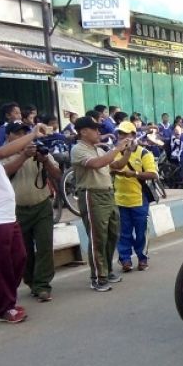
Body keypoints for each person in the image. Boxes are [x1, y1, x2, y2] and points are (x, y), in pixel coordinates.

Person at [0, 112, 53, 323]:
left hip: (6, 215)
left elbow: (3, 170)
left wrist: (23, 155)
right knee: (1, 263)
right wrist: (32, 134)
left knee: (19, 258)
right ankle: (4, 308)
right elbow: (3, 152)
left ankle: (0, 299)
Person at [1, 122, 62, 302]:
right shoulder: (4, 154)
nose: (22, 137)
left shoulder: (40, 149)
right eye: (17, 133)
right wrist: (23, 156)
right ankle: (31, 281)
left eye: (24, 133)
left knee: (45, 246)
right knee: (23, 251)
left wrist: (44, 160)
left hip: (42, 204)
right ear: (8, 136)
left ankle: (43, 285)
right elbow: (4, 172)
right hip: (16, 209)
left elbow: (57, 174)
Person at [71, 117, 131, 292]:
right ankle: (98, 277)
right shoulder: (78, 149)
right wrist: (117, 148)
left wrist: (126, 151)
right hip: (92, 195)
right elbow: (97, 164)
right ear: (83, 131)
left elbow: (116, 165)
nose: (98, 132)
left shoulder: (98, 150)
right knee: (98, 237)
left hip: (107, 194)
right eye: (94, 129)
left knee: (113, 234)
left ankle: (107, 270)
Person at [110, 122, 158, 272]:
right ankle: (125, 259)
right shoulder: (115, 152)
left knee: (141, 231)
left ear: (134, 136)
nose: (122, 137)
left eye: (126, 134)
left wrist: (135, 174)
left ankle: (142, 258)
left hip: (139, 199)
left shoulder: (144, 153)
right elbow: (111, 168)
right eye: (120, 134)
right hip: (120, 199)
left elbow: (153, 174)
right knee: (123, 232)